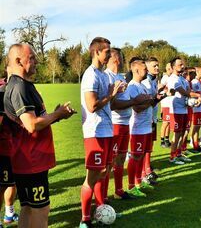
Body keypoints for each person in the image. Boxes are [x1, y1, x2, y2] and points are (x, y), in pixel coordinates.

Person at [4, 43, 75, 228]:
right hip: (31, 161)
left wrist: (56, 115)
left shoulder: (22, 85)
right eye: (32, 58)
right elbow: (31, 124)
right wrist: (58, 114)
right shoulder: (20, 87)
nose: (37, 61)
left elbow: (37, 120)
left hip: (27, 160)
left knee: (28, 207)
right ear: (19, 60)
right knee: (41, 210)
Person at [79, 37, 123, 227]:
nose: (109, 54)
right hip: (94, 131)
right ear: (96, 52)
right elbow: (91, 106)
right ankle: (84, 219)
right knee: (92, 176)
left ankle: (101, 208)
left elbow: (109, 104)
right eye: (106, 51)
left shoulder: (104, 75)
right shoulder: (91, 75)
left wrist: (116, 93)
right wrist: (111, 95)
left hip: (106, 129)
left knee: (104, 171)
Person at [104, 48, 145, 200]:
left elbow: (125, 99)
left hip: (125, 124)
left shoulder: (120, 77)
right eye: (121, 56)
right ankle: (104, 196)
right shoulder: (107, 76)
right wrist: (135, 101)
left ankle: (119, 190)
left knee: (121, 158)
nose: (123, 60)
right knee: (110, 161)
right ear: (117, 59)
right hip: (114, 125)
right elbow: (112, 104)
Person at [126, 59, 154, 197]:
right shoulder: (132, 87)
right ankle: (132, 186)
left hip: (146, 127)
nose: (146, 71)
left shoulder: (142, 86)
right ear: (136, 70)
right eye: (144, 68)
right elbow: (136, 108)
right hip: (137, 128)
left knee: (141, 155)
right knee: (135, 156)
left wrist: (148, 100)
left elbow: (149, 100)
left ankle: (138, 182)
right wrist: (148, 101)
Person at [167, 58, 201, 164]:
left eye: (182, 64)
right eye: (180, 65)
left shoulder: (182, 79)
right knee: (177, 134)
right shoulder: (173, 79)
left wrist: (192, 99)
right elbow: (184, 92)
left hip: (184, 108)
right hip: (176, 110)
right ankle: (172, 157)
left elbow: (188, 91)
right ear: (173, 67)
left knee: (183, 133)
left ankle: (178, 153)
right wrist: (198, 95)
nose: (182, 66)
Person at [142, 57, 165, 185]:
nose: (157, 68)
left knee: (149, 146)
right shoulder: (145, 81)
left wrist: (159, 94)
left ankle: (147, 170)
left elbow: (153, 99)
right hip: (145, 119)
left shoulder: (153, 80)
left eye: (157, 65)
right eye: (154, 66)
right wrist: (159, 97)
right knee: (145, 147)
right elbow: (148, 101)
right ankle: (144, 173)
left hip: (152, 117)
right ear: (147, 67)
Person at [0, 74, 18, 228]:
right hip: (4, 148)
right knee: (3, 185)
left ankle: (9, 213)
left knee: (11, 183)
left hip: (13, 147)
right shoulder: (3, 90)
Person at [190, 67, 201, 153]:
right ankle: (195, 145)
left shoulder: (199, 82)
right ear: (197, 72)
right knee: (196, 127)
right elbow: (196, 95)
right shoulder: (194, 82)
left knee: (199, 126)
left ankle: (196, 144)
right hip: (197, 108)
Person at [159, 62, 172, 148]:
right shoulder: (165, 78)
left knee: (169, 123)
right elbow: (160, 90)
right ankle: (162, 140)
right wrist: (165, 91)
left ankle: (167, 139)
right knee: (165, 123)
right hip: (166, 104)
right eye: (169, 68)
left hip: (170, 104)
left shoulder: (171, 78)